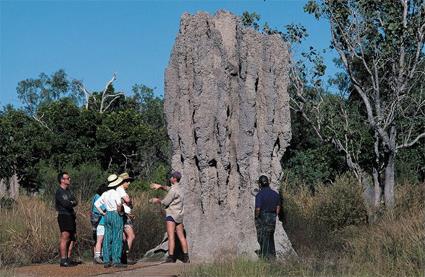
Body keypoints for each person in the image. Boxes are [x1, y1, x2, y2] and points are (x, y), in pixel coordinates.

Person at [150, 171, 190, 263]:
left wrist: (156, 200)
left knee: (171, 236)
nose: (170, 178)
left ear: (174, 179)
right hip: (179, 215)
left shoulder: (173, 190)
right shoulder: (180, 189)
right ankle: (186, 258)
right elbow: (169, 189)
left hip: (171, 215)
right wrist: (160, 186)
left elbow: (165, 202)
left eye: (171, 177)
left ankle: (171, 258)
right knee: (181, 237)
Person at [94, 174, 127, 268]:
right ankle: (116, 260)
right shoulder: (116, 193)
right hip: (115, 214)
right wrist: (120, 212)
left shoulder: (105, 193)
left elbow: (97, 204)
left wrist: (102, 213)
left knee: (107, 237)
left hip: (107, 214)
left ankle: (107, 260)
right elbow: (119, 204)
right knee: (117, 237)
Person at [254, 175, 281, 259]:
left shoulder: (259, 195)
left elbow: (258, 208)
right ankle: (273, 255)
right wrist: (274, 215)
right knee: (270, 235)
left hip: (263, 216)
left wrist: (256, 217)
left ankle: (265, 257)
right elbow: (278, 208)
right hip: (272, 216)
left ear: (260, 184)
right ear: (268, 183)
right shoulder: (275, 194)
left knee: (264, 237)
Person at [55, 171, 78, 267]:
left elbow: (75, 201)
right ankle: (63, 259)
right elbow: (66, 204)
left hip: (71, 215)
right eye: (67, 178)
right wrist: (71, 202)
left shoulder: (69, 191)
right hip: (64, 215)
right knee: (65, 237)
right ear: (62, 180)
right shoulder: (59, 191)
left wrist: (71, 202)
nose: (69, 179)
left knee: (71, 237)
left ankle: (68, 258)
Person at [117, 172, 136, 264]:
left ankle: (121, 256)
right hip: (124, 216)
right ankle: (124, 256)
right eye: (127, 181)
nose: (129, 183)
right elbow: (128, 200)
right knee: (131, 236)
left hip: (125, 215)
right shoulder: (120, 190)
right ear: (122, 182)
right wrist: (129, 201)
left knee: (124, 238)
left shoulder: (120, 190)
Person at [90, 184, 108, 264]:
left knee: (99, 239)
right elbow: (100, 208)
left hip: (98, 221)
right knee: (100, 239)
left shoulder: (96, 196)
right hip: (100, 222)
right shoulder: (98, 197)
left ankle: (100, 255)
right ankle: (98, 256)